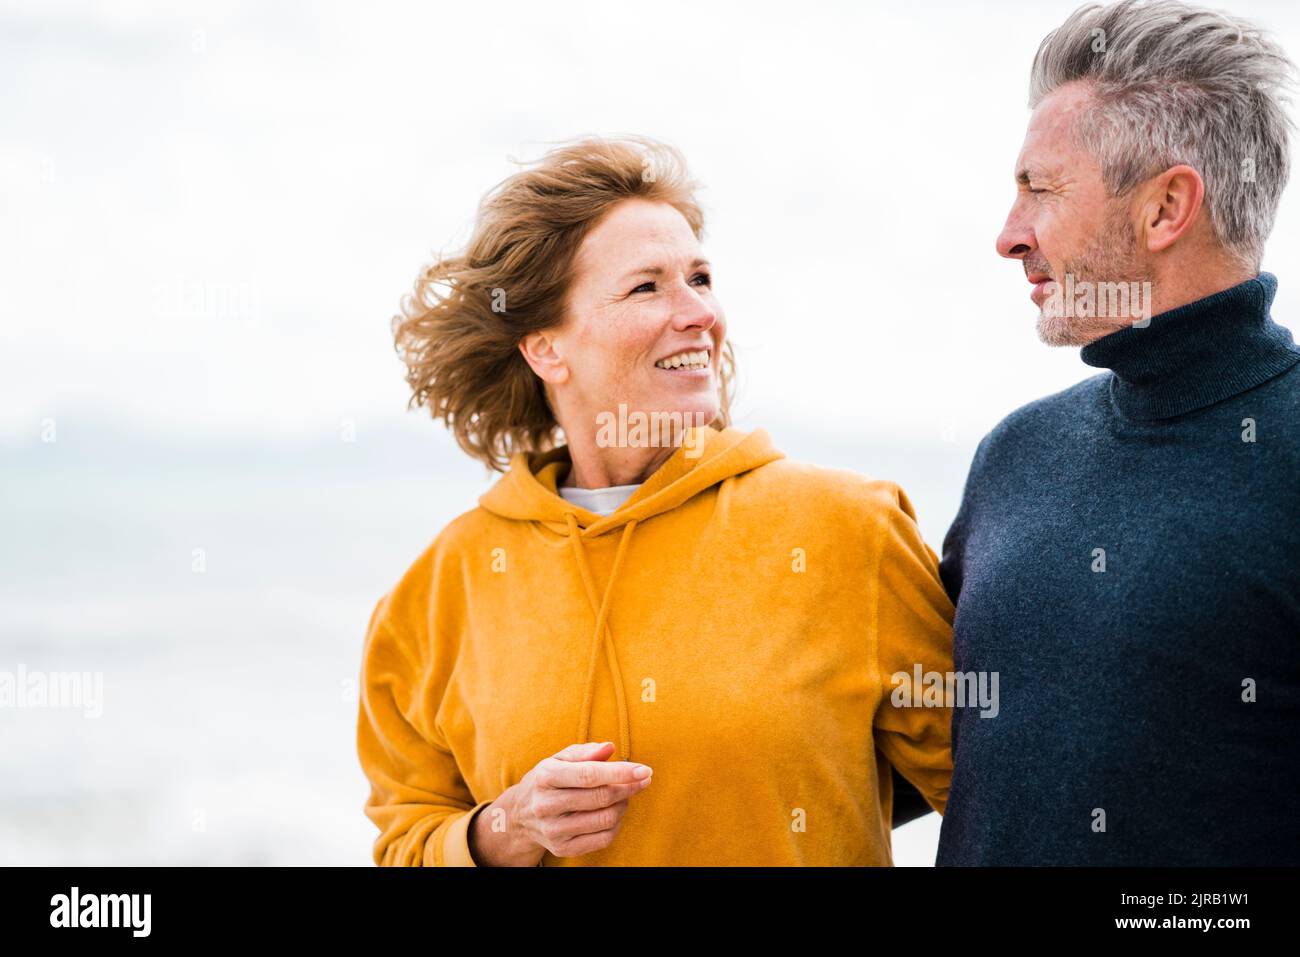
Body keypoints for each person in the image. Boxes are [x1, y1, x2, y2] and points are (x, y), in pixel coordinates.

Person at [355, 135, 955, 866]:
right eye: (649, 287)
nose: (699, 313)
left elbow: (1006, 798)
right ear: (545, 347)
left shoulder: (850, 529)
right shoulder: (443, 585)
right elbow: (406, 838)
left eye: (700, 278)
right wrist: (502, 827)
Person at [938, 0, 1300, 865]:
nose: (1007, 234)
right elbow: (892, 742)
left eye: (1040, 188)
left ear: (1166, 207)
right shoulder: (1015, 455)